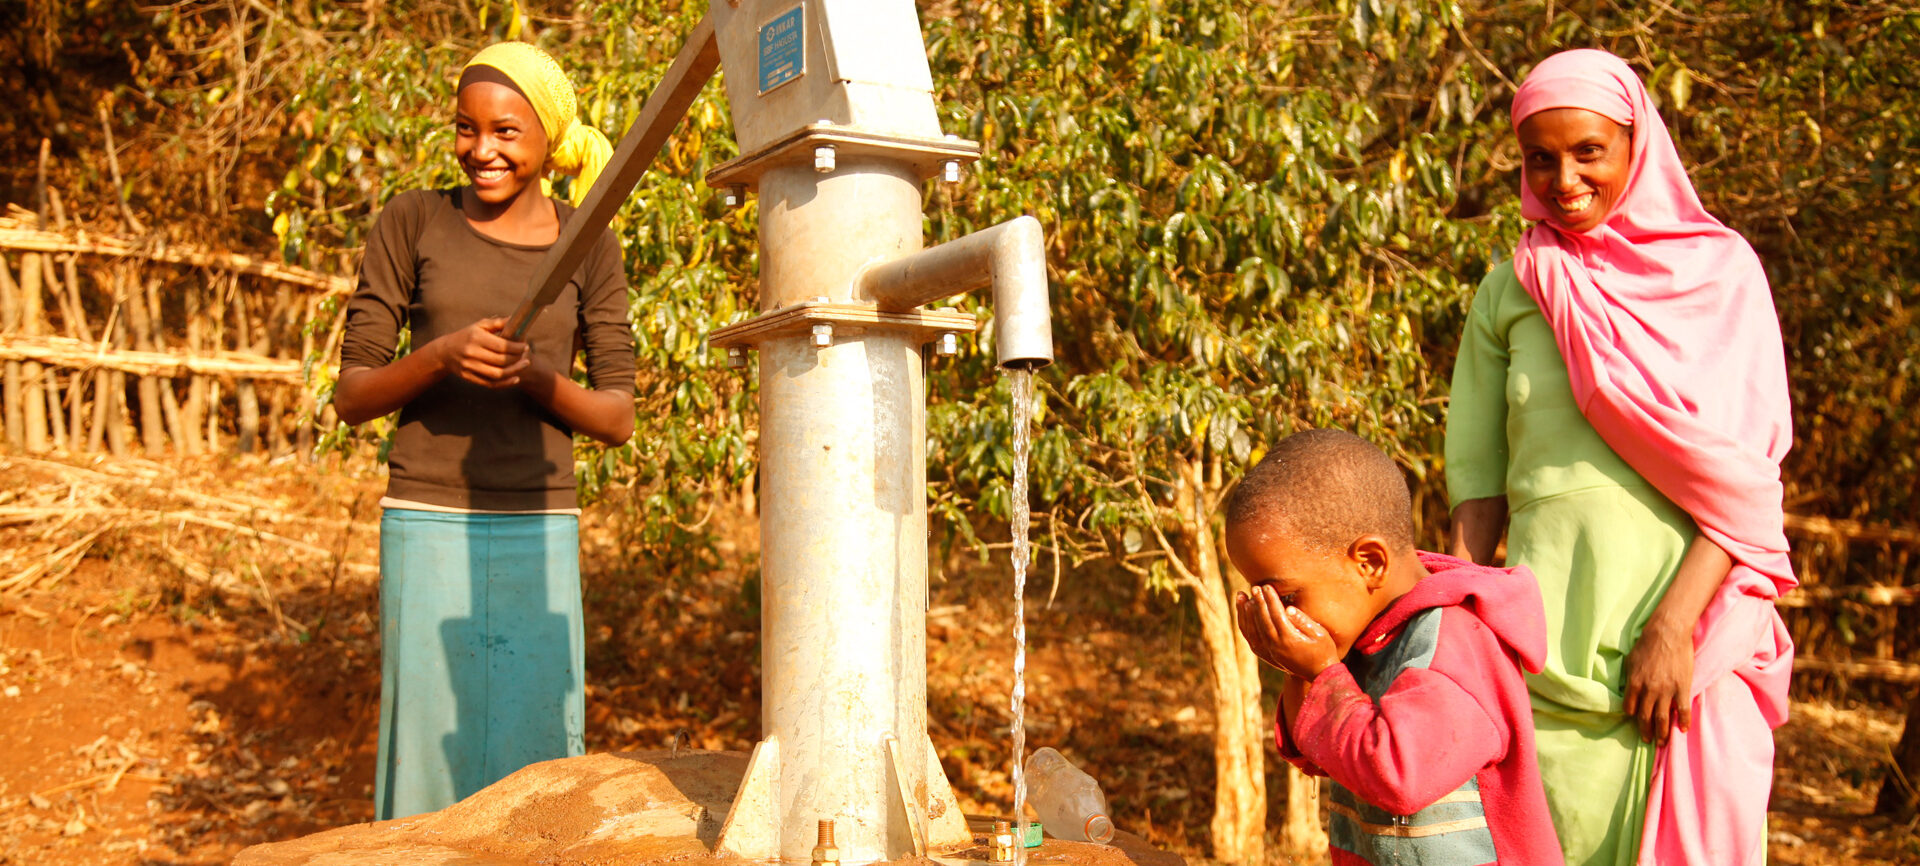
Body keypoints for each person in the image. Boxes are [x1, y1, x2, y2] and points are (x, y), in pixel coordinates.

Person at [1445, 48, 1795, 865]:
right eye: (1542, 158)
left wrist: (1672, 628)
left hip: (1693, 658)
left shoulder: (1723, 276)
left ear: (1639, 146)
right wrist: (1453, 639)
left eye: (1588, 152)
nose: (1563, 179)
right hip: (1546, 665)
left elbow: (1749, 481)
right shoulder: (1515, 288)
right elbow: (1480, 496)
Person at [333, 41, 632, 820]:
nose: (481, 150)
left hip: (540, 525)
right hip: (427, 519)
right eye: (467, 130)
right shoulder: (412, 220)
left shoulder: (589, 241)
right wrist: (437, 357)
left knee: (541, 769)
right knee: (428, 760)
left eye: (504, 131)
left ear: (547, 134)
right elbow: (354, 394)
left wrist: (535, 378)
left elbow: (617, 417)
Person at [1229, 429, 1563, 866]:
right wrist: (1299, 669)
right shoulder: (1368, 631)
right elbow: (1321, 753)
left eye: (1286, 598)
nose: (1281, 615)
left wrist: (1322, 673)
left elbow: (1398, 776)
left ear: (1369, 563)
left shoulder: (1452, 644)